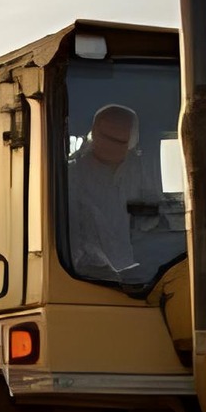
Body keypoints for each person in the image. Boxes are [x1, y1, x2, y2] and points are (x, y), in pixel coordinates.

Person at [67, 104, 165, 281]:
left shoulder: (138, 172)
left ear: (131, 143)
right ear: (94, 133)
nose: (110, 146)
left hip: (134, 275)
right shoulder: (70, 178)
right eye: (105, 137)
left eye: (120, 142)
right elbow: (70, 238)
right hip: (85, 278)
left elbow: (153, 215)